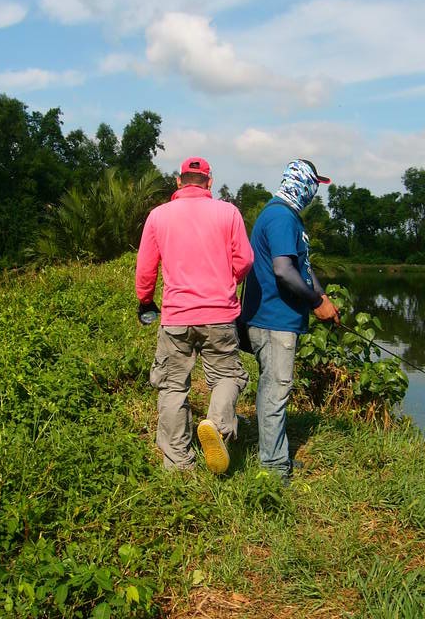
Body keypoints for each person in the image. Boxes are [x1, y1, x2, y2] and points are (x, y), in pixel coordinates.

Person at [135, 156, 254, 474]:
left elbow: (146, 268)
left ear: (178, 181)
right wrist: (227, 280)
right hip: (219, 314)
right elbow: (244, 259)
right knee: (226, 376)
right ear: (210, 182)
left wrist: (145, 301)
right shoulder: (228, 212)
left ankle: (178, 462)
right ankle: (216, 425)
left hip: (176, 316)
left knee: (173, 385)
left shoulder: (159, 216)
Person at [241, 159, 340, 480]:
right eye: (313, 186)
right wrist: (314, 302)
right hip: (273, 321)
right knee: (276, 391)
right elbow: (284, 271)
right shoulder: (281, 217)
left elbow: (303, 269)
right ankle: (272, 470)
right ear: (301, 184)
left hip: (278, 321)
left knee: (274, 388)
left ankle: (277, 456)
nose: (313, 194)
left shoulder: (285, 216)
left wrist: (322, 299)